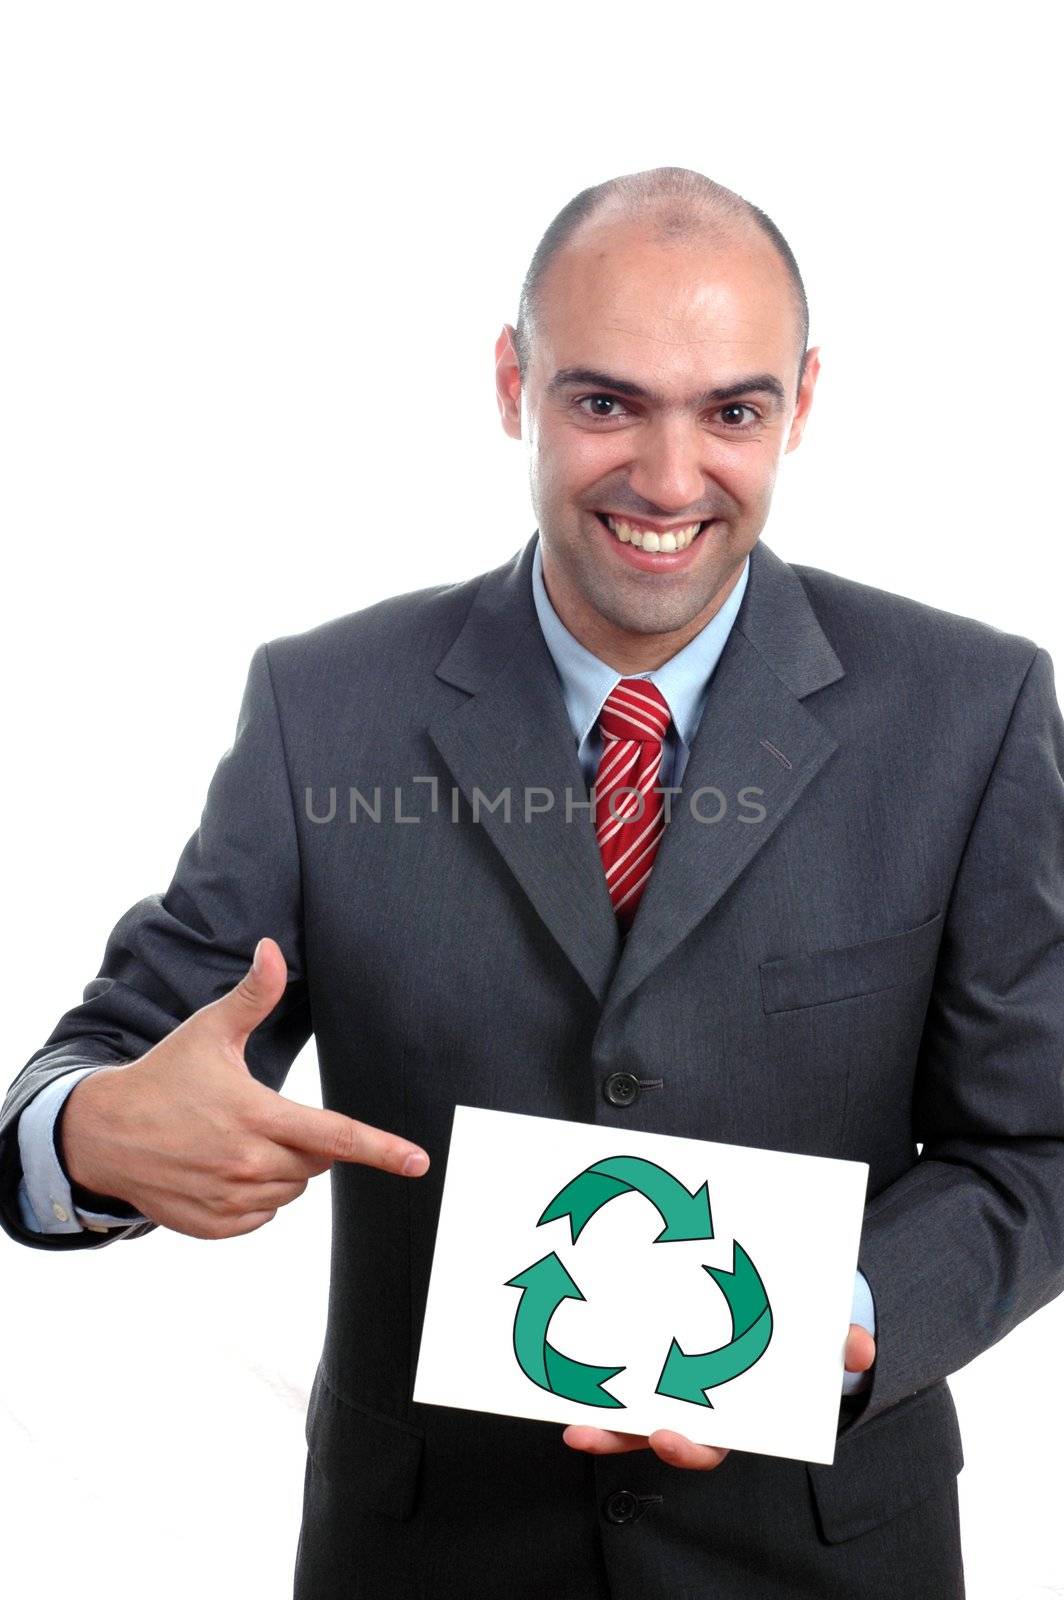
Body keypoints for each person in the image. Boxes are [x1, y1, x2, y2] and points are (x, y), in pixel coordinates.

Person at [1, 165, 1061, 1599]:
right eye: (607, 403)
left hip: (825, 1553)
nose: (672, 481)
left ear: (802, 402)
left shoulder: (970, 710)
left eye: (732, 411)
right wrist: (87, 1135)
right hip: (428, 1556)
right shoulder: (330, 709)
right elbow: (111, 1054)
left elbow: (1039, 1145)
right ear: (515, 382)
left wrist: (850, 1312)